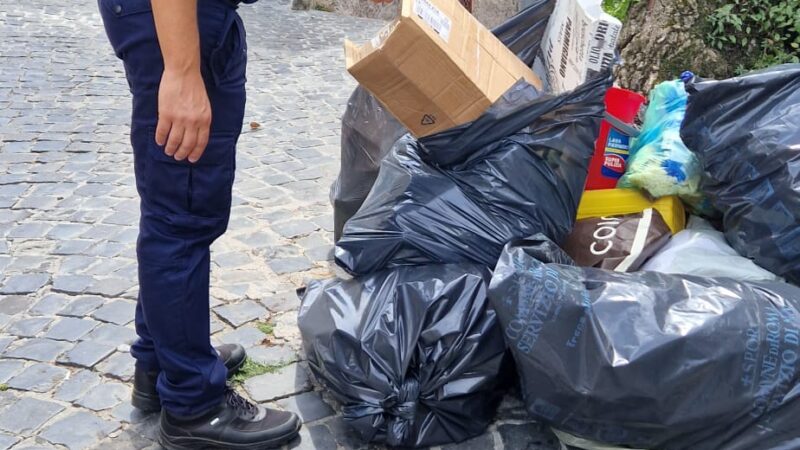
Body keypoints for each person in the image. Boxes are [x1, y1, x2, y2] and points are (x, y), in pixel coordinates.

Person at [97, 0, 301, 448]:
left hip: (179, 22)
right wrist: (183, 71)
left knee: (173, 208)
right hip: (177, 23)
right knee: (181, 215)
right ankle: (194, 406)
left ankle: (160, 365)